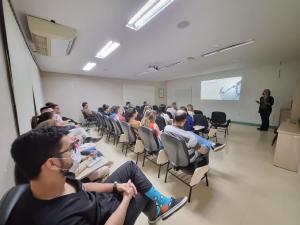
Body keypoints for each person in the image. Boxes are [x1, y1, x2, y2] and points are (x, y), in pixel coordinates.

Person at [9, 127, 187, 225]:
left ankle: (160, 207)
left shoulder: (52, 180)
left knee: (130, 167)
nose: (75, 152)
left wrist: (116, 186)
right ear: (52, 163)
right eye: (71, 149)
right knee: (142, 189)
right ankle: (159, 208)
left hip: (99, 201)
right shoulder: (57, 219)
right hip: (111, 215)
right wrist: (125, 199)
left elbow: (83, 187)